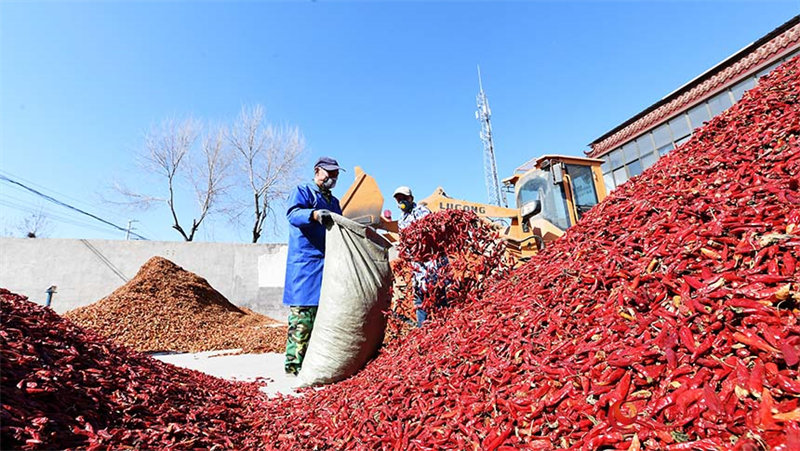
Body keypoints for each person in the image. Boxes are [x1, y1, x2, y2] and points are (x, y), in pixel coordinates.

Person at [282, 156, 343, 376]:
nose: (333, 178)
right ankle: (294, 366)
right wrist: (314, 214)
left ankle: (315, 363)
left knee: (324, 319)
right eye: (329, 173)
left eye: (336, 174)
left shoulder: (334, 202)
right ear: (317, 171)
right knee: (303, 318)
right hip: (306, 264)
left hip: (328, 263)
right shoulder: (304, 191)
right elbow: (293, 214)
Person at [392, 186, 434, 327]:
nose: (401, 201)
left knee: (436, 294)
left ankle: (442, 324)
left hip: (429, 263)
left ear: (411, 198)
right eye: (398, 199)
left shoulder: (422, 211)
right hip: (416, 266)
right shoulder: (401, 219)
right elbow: (404, 242)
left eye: (404, 198)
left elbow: (428, 233)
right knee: (419, 298)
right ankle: (423, 329)